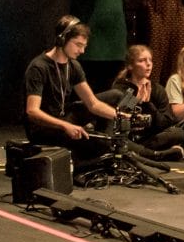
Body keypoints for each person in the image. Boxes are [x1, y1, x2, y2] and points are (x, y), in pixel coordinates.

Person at [24, 19, 123, 159]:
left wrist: (122, 117)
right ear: (62, 40)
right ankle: (100, 151)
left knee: (116, 96)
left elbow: (93, 104)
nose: (82, 51)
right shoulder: (39, 67)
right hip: (44, 128)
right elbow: (32, 111)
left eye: (84, 46)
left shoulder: (74, 66)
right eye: (78, 45)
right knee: (103, 145)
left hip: (65, 117)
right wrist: (65, 126)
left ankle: (106, 141)